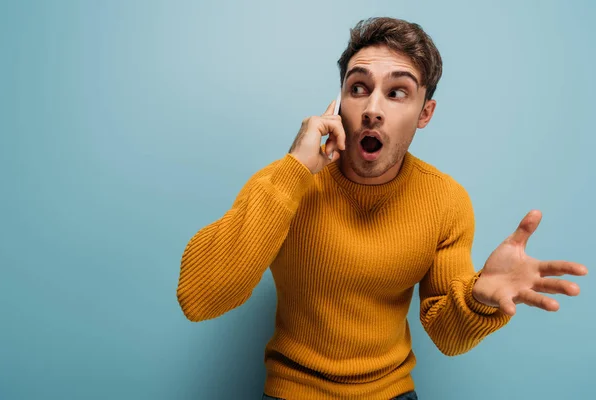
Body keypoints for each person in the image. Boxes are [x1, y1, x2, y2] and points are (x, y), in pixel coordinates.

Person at [176, 17, 588, 400]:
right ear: (339, 103)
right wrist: (294, 172)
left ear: (424, 113)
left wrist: (480, 301)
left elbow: (447, 336)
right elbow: (199, 299)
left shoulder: (446, 201)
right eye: (358, 88)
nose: (373, 108)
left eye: (397, 93)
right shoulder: (284, 182)